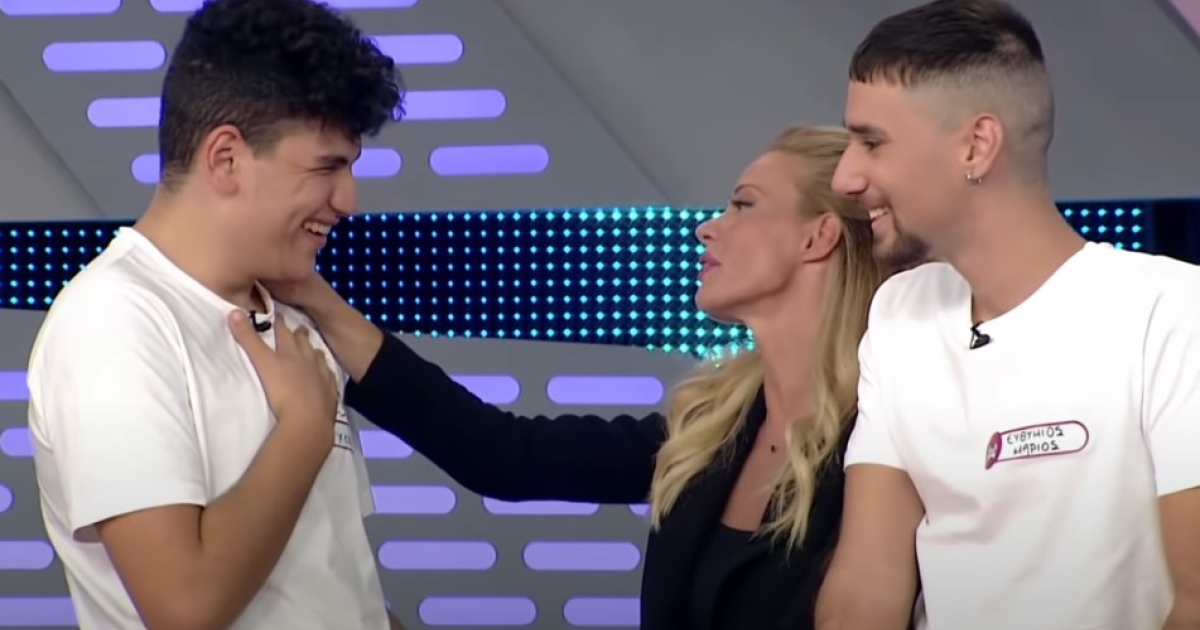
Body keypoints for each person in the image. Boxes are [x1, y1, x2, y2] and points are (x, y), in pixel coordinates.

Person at [266, 125, 888, 630]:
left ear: (818, 236)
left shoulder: (890, 438)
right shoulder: (711, 430)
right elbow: (500, 454)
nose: (708, 227)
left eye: (744, 204)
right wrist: (318, 301)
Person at [815, 1, 1200, 629]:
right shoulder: (899, 312)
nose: (845, 178)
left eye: (871, 143)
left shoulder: (1173, 311)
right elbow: (867, 581)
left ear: (976, 145)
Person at [24, 1, 407, 628]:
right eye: (327, 167)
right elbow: (184, 608)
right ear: (226, 158)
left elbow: (329, 576)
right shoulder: (112, 325)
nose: (348, 200)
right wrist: (303, 429)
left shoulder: (289, 313)